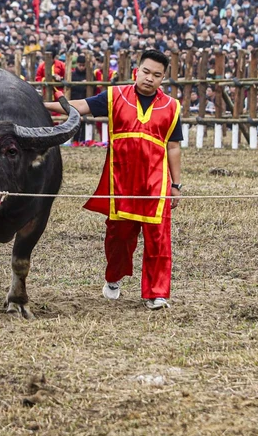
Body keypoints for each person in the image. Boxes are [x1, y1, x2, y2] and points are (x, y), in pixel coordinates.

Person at [45, 49, 183, 310]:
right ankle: (113, 278)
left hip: (156, 185)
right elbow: (81, 106)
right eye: (145, 72)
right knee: (119, 237)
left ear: (163, 78)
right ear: (136, 70)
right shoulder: (115, 96)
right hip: (121, 182)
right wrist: (41, 106)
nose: (149, 78)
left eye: (156, 75)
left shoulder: (171, 107)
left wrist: (176, 185)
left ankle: (156, 293)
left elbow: (173, 147)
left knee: (159, 240)